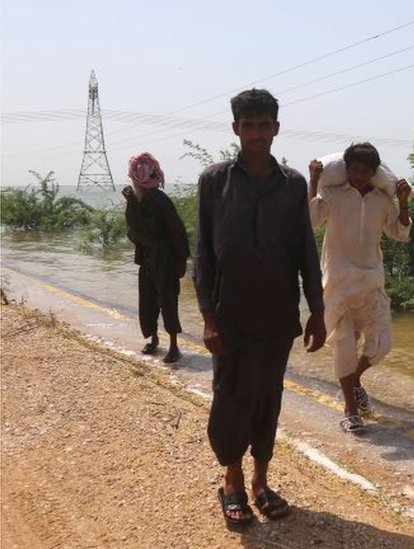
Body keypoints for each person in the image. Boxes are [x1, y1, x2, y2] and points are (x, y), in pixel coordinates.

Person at [194, 88, 326, 527]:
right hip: (230, 315)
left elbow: (306, 251)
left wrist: (318, 311)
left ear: (275, 128)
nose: (255, 133)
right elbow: (204, 257)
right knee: (230, 399)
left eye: (263, 125)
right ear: (236, 129)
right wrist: (209, 320)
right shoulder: (214, 181)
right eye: (247, 126)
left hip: (277, 316)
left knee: (268, 398)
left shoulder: (292, 184)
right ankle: (231, 482)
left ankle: (260, 482)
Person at [307, 143, 412, 434]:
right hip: (338, 284)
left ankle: (353, 384)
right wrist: (314, 181)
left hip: (370, 283)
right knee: (345, 346)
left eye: (366, 171)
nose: (359, 176)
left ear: (373, 172)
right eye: (354, 170)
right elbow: (312, 221)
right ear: (347, 169)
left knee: (381, 345)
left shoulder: (381, 201)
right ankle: (351, 411)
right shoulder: (332, 194)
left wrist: (403, 202)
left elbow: (400, 233)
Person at [122, 152, 189, 364]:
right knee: (148, 302)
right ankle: (153, 340)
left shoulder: (161, 201)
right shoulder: (137, 201)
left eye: (135, 180)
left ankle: (174, 347)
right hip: (148, 261)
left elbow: (178, 233)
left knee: (168, 302)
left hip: (165, 261)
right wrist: (131, 202)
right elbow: (133, 230)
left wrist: (181, 262)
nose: (134, 184)